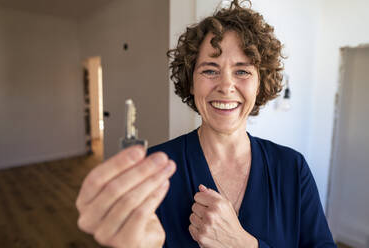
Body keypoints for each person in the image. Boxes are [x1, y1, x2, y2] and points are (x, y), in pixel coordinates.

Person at [76, 1, 337, 247]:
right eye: (210, 70)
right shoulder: (155, 170)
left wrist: (244, 244)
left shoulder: (293, 168)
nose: (225, 86)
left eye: (242, 71)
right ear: (190, 81)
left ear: (260, 83)